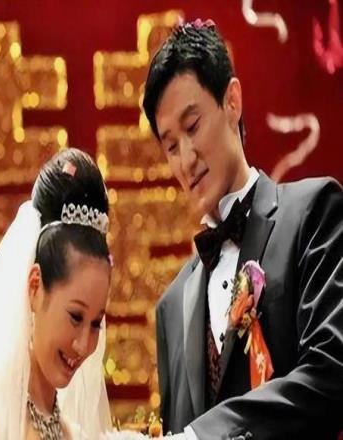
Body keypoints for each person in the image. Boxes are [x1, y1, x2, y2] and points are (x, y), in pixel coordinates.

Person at [142, 19, 343, 440]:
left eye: (192, 126)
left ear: (232, 101)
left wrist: (203, 436)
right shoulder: (171, 306)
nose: (186, 158)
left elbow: (331, 369)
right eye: (171, 146)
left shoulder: (312, 213)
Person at [0, 148, 113, 439]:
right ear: (35, 286)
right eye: (75, 317)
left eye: (95, 324)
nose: (83, 345)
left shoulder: (72, 433)